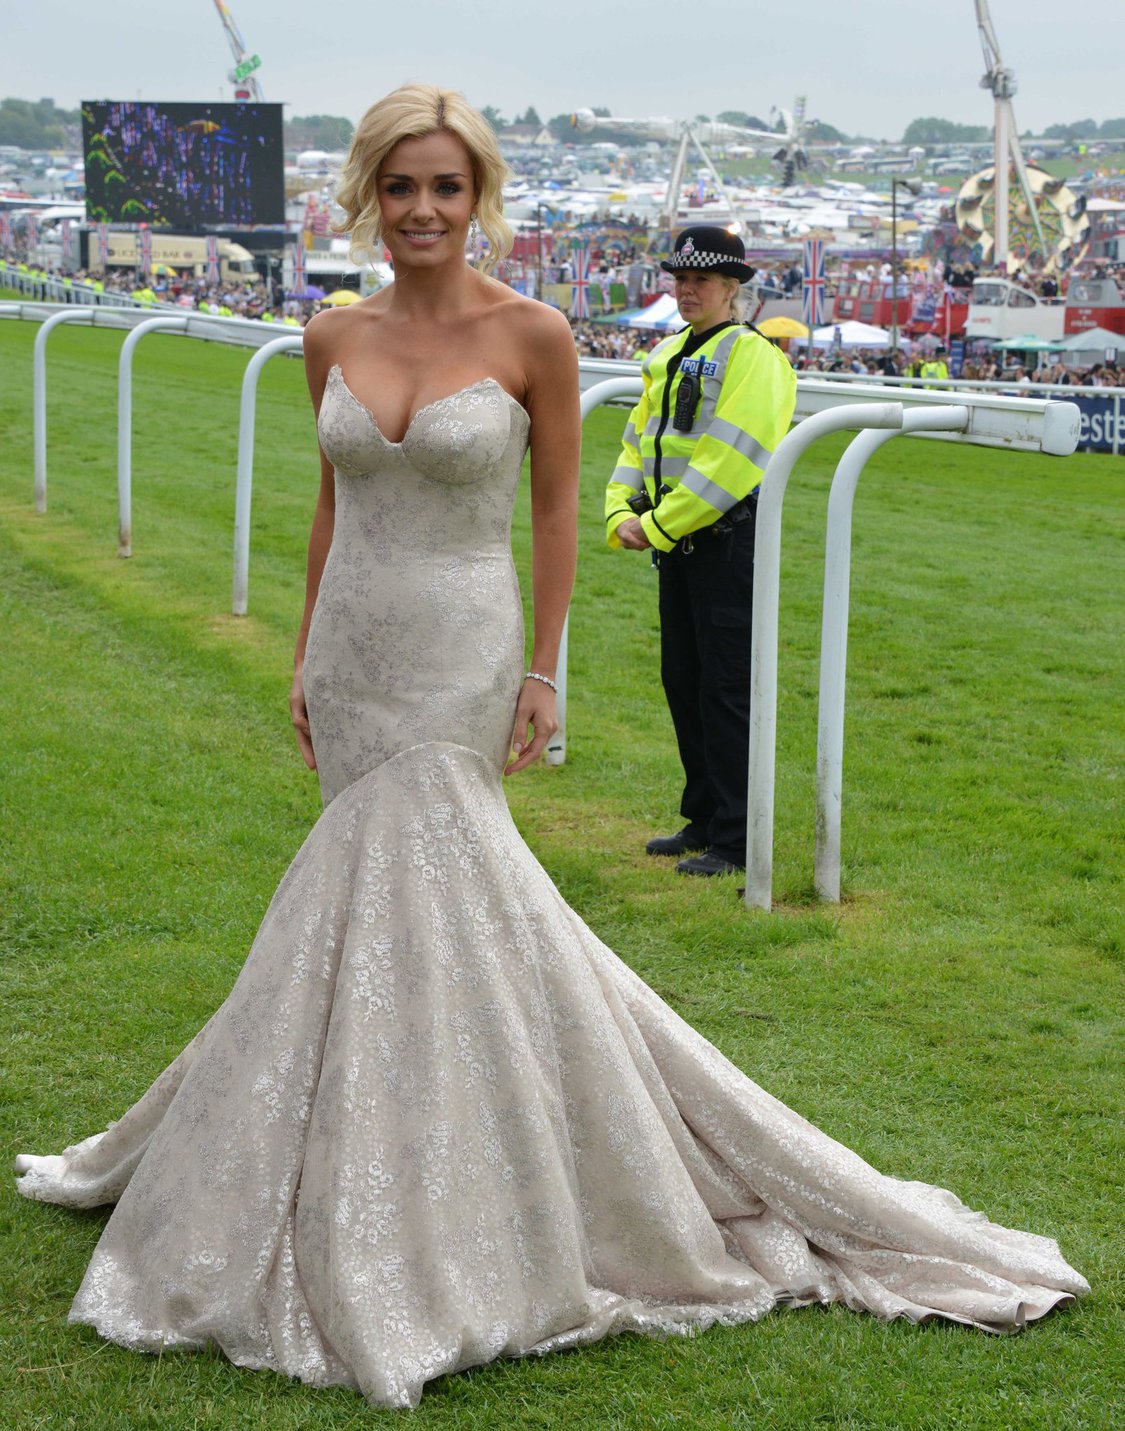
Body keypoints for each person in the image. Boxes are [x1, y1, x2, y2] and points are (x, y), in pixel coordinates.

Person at [16, 87, 1086, 1411]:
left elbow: (560, 508)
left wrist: (539, 666)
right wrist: (302, 650)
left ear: (479, 200)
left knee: (448, 890)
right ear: (367, 193)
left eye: (444, 189)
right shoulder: (328, 330)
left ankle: (470, 1188)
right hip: (355, 649)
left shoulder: (532, 333)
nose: (420, 210)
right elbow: (330, 503)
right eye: (399, 186)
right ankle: (369, 1151)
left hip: (464, 647)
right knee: (368, 910)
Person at [604, 226, 797, 876]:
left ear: (732, 288)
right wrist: (617, 509)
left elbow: (732, 460)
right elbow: (638, 439)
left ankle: (737, 838)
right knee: (681, 680)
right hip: (675, 543)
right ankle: (705, 815)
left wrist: (656, 525)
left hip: (723, 542)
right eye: (679, 279)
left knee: (723, 688)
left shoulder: (753, 355)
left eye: (701, 281)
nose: (686, 291)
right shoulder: (664, 351)